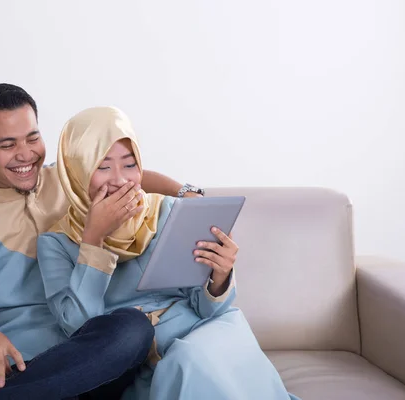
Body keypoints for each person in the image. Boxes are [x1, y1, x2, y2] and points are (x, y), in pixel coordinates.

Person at [0, 84, 206, 399]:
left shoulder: (68, 178)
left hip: (95, 357)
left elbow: (128, 176)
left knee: (131, 327)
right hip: (21, 365)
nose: (25, 154)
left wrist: (186, 194)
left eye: (33, 138)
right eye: (7, 144)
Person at [37, 106, 301, 400]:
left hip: (208, 334)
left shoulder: (166, 211)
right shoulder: (55, 242)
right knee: (185, 365)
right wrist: (94, 240)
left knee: (195, 361)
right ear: (77, 171)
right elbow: (79, 328)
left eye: (129, 164)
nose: (121, 180)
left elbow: (208, 309)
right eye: (102, 167)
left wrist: (220, 275)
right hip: (149, 362)